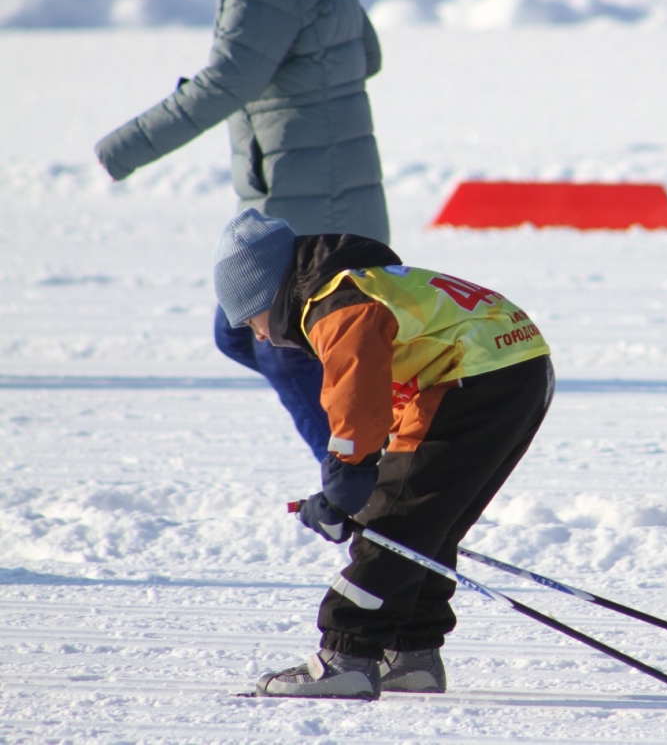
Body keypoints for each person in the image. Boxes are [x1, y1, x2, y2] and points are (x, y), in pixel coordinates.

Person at [211, 209, 553, 699]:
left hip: (474, 377)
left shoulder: (337, 304)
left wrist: (346, 478)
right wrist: (347, 484)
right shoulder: (362, 286)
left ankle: (346, 656)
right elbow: (388, 396)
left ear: (267, 292)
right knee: (422, 522)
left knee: (392, 522)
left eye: (251, 319)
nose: (259, 335)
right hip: (513, 367)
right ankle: (410, 652)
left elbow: (354, 402)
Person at [96, 0, 390, 462]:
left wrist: (123, 147)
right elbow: (366, 55)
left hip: (304, 198)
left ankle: (360, 485)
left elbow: (232, 78)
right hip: (323, 190)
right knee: (239, 331)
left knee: (282, 346)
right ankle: (372, 452)